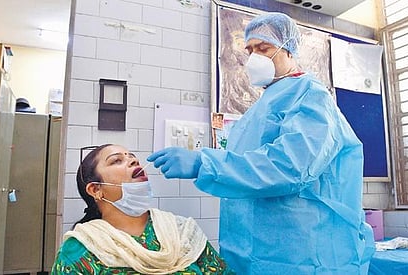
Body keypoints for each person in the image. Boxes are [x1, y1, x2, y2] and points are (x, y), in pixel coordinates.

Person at [147, 12, 375, 274]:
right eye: (250, 50)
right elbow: (247, 171)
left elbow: (289, 167)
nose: (254, 57)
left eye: (263, 48)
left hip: (303, 254)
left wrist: (203, 162)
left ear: (288, 49)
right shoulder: (262, 107)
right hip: (251, 250)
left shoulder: (310, 96)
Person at [51, 144, 235, 274]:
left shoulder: (182, 231)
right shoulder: (80, 250)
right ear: (96, 190)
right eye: (116, 161)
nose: (133, 161)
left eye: (132, 157)